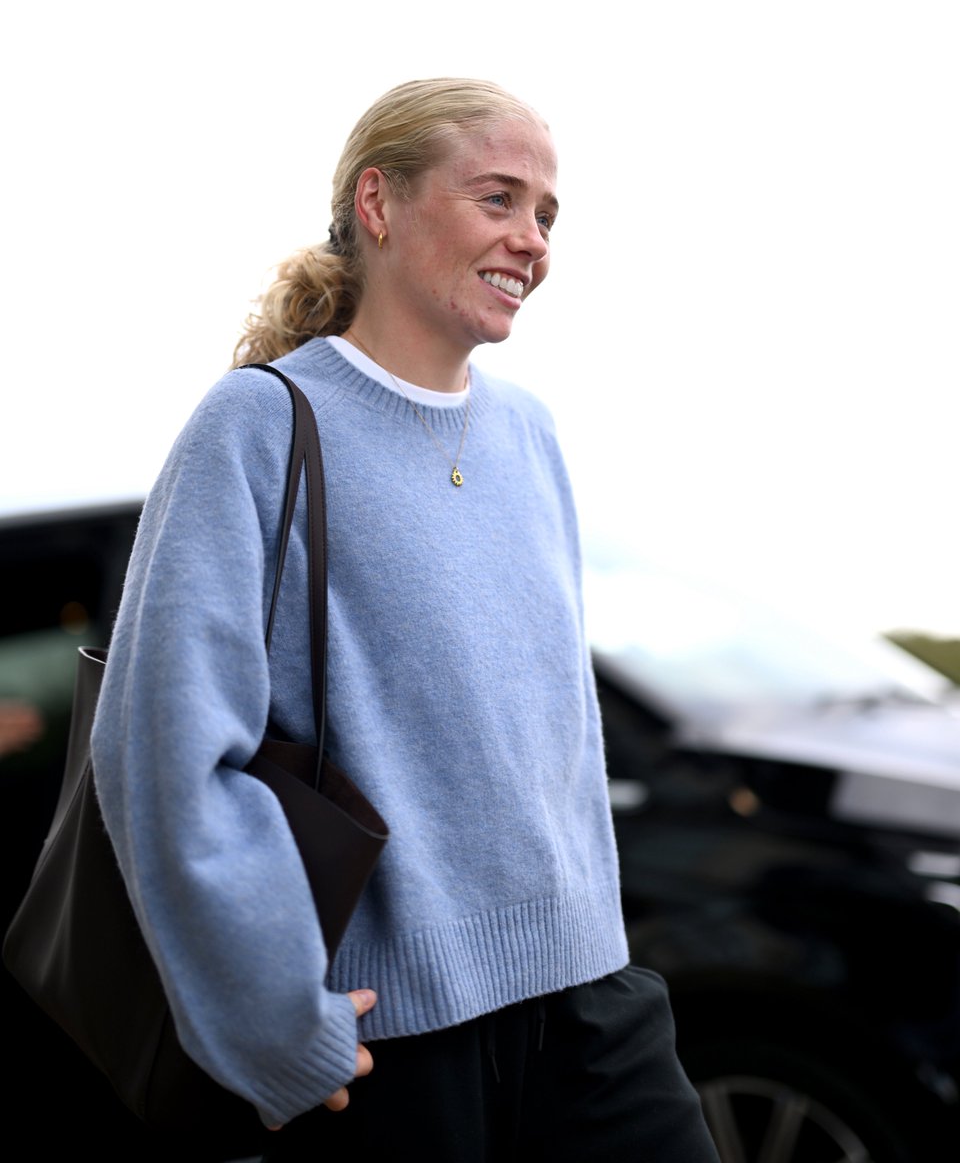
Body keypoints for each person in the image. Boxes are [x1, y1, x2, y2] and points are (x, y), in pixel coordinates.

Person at [91, 78, 720, 1161]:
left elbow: (551, 737)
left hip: (595, 1006)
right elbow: (162, 750)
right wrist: (277, 1027)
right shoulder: (258, 424)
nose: (532, 241)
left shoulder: (532, 433)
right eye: (498, 199)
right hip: (396, 1050)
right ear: (379, 203)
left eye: (547, 214)